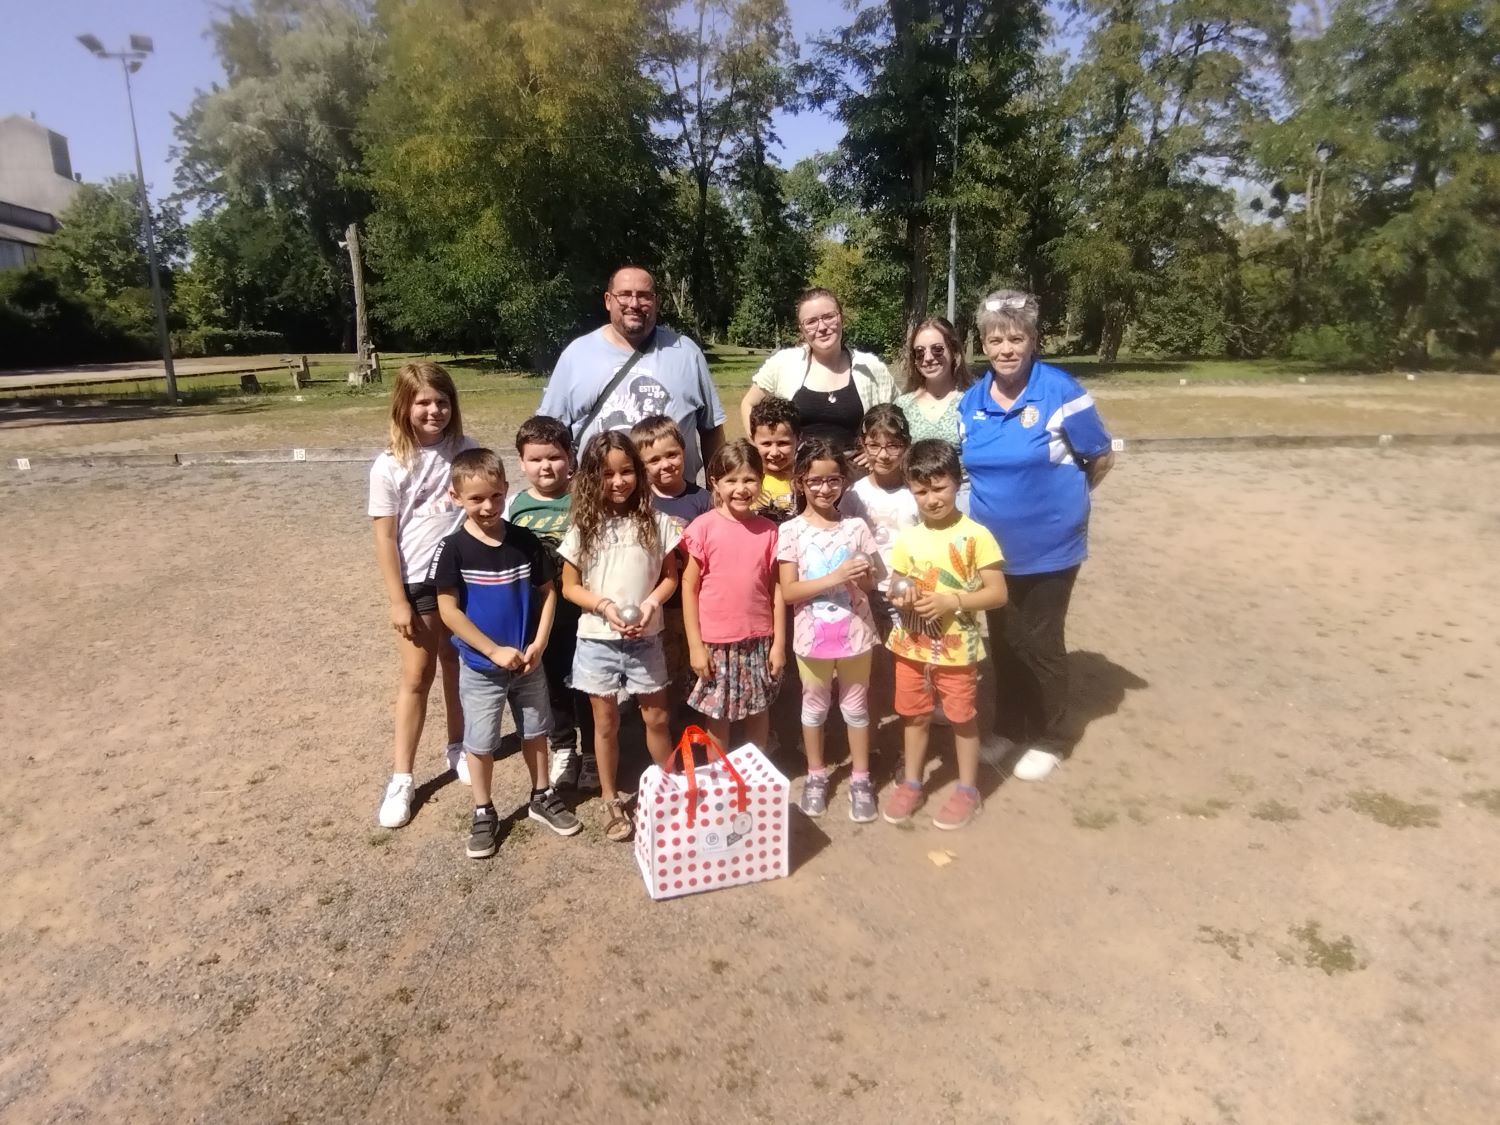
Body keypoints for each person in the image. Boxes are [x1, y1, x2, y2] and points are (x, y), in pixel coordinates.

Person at [958, 289, 1115, 782]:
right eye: (995, 339)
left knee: (1041, 639)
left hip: (1051, 546)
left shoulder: (1061, 391)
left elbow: (1102, 456)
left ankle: (1052, 736)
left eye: (1016, 338)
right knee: (1002, 639)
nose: (1006, 349)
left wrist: (1067, 503)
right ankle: (1008, 725)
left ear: (1032, 341)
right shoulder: (971, 401)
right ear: (983, 345)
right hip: (993, 551)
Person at [431, 449, 580, 858]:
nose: (488, 506)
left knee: (536, 731)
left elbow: (548, 593)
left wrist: (540, 642)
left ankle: (541, 795)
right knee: (481, 742)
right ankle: (483, 809)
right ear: (456, 497)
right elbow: (449, 610)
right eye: (476, 499)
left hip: (528, 663)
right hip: (481, 667)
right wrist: (492, 650)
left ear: (505, 491)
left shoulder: (523, 541)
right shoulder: (453, 549)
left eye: (496, 496)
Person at [558, 432, 682, 842]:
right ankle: (611, 797)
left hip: (646, 639)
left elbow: (670, 577)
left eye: (626, 471)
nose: (618, 481)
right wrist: (605, 607)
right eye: (607, 473)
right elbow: (569, 587)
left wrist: (649, 606)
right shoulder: (584, 526)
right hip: (597, 641)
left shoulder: (658, 522)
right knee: (606, 722)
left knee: (657, 717)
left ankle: (671, 786)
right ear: (593, 477)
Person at [369, 361, 475, 829]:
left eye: (442, 401)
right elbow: (385, 537)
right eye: (423, 402)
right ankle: (402, 777)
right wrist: (397, 599)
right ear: (404, 406)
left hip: (462, 580)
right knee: (417, 676)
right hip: (417, 585)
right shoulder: (390, 464)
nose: (434, 410)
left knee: (456, 666)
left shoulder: (466, 452)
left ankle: (458, 746)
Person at [883, 440, 1008, 830]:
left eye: (939, 487)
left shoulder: (976, 536)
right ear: (910, 491)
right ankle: (913, 782)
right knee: (914, 716)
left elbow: (997, 593)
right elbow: (897, 582)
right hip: (911, 646)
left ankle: (968, 790)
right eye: (921, 491)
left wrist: (950, 600)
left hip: (957, 651)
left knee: (961, 718)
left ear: (956, 482)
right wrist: (902, 594)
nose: (932, 498)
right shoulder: (909, 538)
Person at [540, 265, 726, 485]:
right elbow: (549, 433)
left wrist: (717, 490)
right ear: (608, 300)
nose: (634, 304)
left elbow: (711, 430)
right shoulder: (577, 355)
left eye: (644, 296)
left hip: (675, 505)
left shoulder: (686, 353)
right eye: (625, 295)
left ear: (656, 302)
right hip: (599, 503)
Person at [776, 439, 882, 822]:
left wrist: (864, 576)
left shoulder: (855, 527)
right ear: (800, 482)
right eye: (816, 481)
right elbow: (788, 592)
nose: (825, 489)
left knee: (856, 707)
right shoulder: (789, 531)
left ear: (844, 482)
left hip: (856, 636)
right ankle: (817, 775)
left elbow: (871, 585)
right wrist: (836, 576)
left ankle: (860, 777)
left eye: (834, 480)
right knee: (814, 706)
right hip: (811, 638)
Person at [505, 415, 596, 792]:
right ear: (522, 462)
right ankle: (564, 748)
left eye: (555, 457)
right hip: (541, 614)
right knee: (552, 682)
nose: (546, 466)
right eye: (536, 459)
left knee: (589, 682)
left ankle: (592, 752)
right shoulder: (514, 505)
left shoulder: (586, 498)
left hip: (583, 608)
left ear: (570, 457)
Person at [681, 440, 786, 752]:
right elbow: (689, 588)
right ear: (715, 482)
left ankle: (754, 776)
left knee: (759, 710)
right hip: (715, 644)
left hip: (758, 640)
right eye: (731, 480)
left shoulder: (770, 531)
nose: (741, 488)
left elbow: (776, 589)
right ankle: (720, 779)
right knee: (718, 715)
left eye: (750, 479)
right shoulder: (702, 528)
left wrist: (779, 643)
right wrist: (695, 646)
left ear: (761, 479)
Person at [738, 288, 897, 460]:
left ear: (841, 318)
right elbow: (749, 403)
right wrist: (758, 445)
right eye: (811, 321)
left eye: (829, 317)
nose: (822, 327)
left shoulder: (871, 368)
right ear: (802, 329)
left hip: (855, 476)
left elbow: (896, 417)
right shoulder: (783, 363)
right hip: (797, 475)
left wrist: (877, 450)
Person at [840, 404, 918, 728]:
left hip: (905, 593)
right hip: (866, 593)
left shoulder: (916, 493)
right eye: (874, 444)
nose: (883, 454)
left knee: (907, 663)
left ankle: (909, 726)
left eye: (893, 445)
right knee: (867, 664)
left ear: (906, 445)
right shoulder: (854, 494)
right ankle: (868, 730)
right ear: (863, 445)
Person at [631, 414, 712, 709]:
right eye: (653, 460)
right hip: (654, 605)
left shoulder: (703, 500)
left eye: (672, 454)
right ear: (641, 465)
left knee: (695, 670)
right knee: (660, 673)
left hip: (695, 603)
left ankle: (696, 723)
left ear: (684, 451)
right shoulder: (639, 502)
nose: (665, 464)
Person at [748, 395, 800, 523]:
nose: (774, 452)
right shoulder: (746, 479)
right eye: (766, 444)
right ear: (753, 439)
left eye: (783, 443)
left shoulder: (804, 479)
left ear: (798, 438)